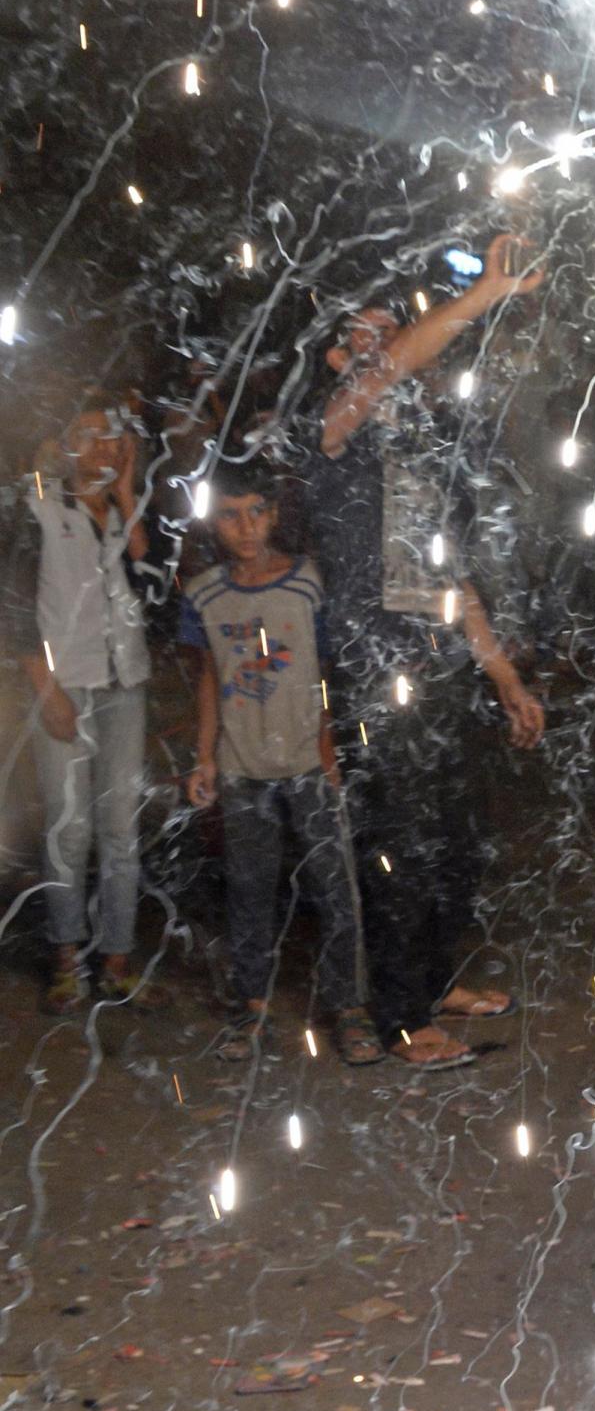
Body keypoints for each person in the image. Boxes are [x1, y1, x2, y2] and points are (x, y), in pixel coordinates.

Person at [306, 235, 546, 1070]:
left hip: (439, 666)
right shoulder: (329, 430)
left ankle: (435, 981)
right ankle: (404, 1016)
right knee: (399, 847)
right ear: (337, 353)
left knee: (457, 838)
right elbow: (390, 369)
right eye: (365, 337)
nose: (384, 349)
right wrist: (479, 296)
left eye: (388, 330)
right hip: (377, 673)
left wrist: (505, 676)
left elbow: (450, 579)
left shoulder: (413, 452)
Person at [179, 464, 376, 1063]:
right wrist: (204, 757)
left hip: (306, 763)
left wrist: (328, 753)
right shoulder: (205, 594)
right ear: (214, 522)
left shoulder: (306, 584)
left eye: (256, 512)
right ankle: (251, 1010)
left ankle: (351, 1010)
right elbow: (210, 675)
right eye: (230, 515)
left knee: (335, 888)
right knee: (248, 890)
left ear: (274, 515)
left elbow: (322, 673)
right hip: (242, 768)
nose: (245, 527)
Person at [3, 393, 156, 1015]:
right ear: (63, 445)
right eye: (89, 435)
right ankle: (67, 960)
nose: (102, 447)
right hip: (66, 688)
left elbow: (155, 586)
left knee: (120, 827)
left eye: (113, 438)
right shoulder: (34, 508)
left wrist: (126, 496)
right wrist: (46, 690)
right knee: (70, 829)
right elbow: (13, 611)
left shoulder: (129, 514)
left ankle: (116, 958)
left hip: (126, 686)